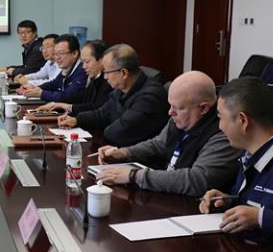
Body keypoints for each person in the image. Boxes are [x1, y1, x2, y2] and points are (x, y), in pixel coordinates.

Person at [199, 77, 273, 251]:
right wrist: (228, 201)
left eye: (221, 117)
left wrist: (261, 218)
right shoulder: (252, 153)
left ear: (243, 120)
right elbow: (266, 203)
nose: (220, 126)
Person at [95, 71, 240, 196]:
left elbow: (197, 180)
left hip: (192, 207)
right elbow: (159, 144)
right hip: (168, 194)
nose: (170, 112)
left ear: (203, 108)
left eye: (177, 108)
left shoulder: (224, 133)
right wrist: (124, 152)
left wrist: (134, 175)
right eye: (171, 105)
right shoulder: (179, 118)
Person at [56, 44, 169, 147]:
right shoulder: (122, 88)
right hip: (118, 149)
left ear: (124, 73)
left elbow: (120, 132)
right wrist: (76, 120)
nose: (105, 77)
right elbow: (102, 113)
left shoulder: (149, 97)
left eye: (107, 72)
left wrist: (105, 128)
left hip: (139, 158)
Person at [35, 40, 111, 115]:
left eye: (87, 62)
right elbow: (82, 103)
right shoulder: (94, 78)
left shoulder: (108, 82)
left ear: (101, 60)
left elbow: (97, 109)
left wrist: (65, 107)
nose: (84, 67)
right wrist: (59, 107)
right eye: (83, 62)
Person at [18, 34, 87, 102]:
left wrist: (41, 93)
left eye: (61, 53)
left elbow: (67, 96)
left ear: (74, 53)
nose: (57, 58)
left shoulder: (83, 70)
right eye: (55, 54)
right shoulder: (67, 68)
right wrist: (34, 88)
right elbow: (53, 84)